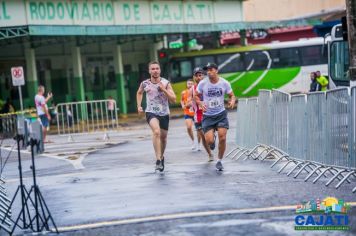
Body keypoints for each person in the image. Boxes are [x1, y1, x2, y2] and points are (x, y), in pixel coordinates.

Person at [195, 63, 236, 171]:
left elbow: (232, 95)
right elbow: (196, 96)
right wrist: (200, 103)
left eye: (211, 69)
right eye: (207, 70)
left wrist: (232, 101)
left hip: (221, 114)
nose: (208, 72)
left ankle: (219, 160)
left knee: (223, 137)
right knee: (209, 141)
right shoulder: (203, 83)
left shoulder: (224, 83)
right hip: (208, 116)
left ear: (216, 70)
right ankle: (212, 141)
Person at [136, 61, 176, 172]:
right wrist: (139, 106)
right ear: (149, 71)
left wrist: (163, 90)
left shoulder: (166, 83)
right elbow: (139, 93)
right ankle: (158, 159)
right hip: (151, 112)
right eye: (152, 69)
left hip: (164, 113)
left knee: (163, 138)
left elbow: (173, 99)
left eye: (157, 68)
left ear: (160, 70)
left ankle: (161, 157)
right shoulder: (145, 83)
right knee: (156, 132)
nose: (155, 70)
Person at [188, 67, 214, 161]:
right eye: (197, 76)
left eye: (200, 75)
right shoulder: (192, 89)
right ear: (194, 77)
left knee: (209, 137)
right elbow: (187, 103)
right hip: (198, 116)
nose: (199, 77)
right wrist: (190, 103)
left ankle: (212, 140)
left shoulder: (210, 85)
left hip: (210, 114)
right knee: (203, 136)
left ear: (203, 76)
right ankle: (210, 154)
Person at [181, 79, 197, 150]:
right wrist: (182, 105)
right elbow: (181, 100)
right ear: (187, 85)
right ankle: (193, 141)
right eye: (188, 84)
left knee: (199, 129)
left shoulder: (196, 92)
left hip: (196, 112)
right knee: (188, 127)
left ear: (193, 84)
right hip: (187, 112)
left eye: (191, 83)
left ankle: (199, 143)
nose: (190, 85)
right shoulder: (183, 92)